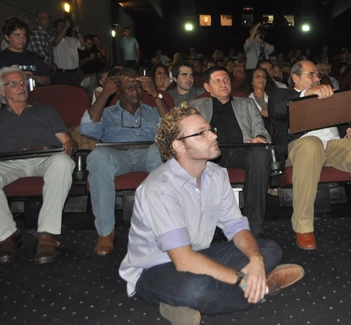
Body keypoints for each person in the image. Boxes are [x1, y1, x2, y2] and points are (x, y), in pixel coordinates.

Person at [119, 103, 304, 324]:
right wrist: (239, 278)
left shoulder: (217, 175)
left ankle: (181, 303)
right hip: (156, 269)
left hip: (199, 253)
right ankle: (262, 287)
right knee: (196, 289)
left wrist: (255, 259)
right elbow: (183, 260)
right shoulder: (159, 188)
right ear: (179, 145)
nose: (213, 135)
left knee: (268, 249)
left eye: (210, 129)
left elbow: (235, 225)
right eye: (201, 133)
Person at [268, 60, 351, 250]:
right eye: (311, 75)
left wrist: (350, 132)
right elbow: (276, 110)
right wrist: (306, 94)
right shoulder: (282, 93)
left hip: (334, 145)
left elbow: (344, 123)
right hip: (301, 146)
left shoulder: (329, 95)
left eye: (318, 75)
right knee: (311, 145)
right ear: (295, 77)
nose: (317, 79)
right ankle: (303, 226)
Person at [0, 66, 76, 263]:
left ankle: (46, 234)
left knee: (62, 162)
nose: (21, 86)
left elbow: (66, 139)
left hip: (44, 157)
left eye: (23, 82)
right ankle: (8, 234)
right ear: (1, 91)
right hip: (10, 161)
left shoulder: (45, 111)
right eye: (14, 83)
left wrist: (69, 144)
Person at [79, 68, 168, 256]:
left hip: (147, 153)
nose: (135, 91)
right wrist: (104, 94)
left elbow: (172, 129)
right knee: (97, 156)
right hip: (117, 155)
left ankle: (163, 226)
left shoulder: (152, 111)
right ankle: (105, 232)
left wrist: (156, 95)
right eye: (129, 87)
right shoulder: (107, 112)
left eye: (138, 87)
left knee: (158, 151)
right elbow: (87, 130)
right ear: (118, 91)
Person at [191, 66, 272, 237]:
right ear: (207, 87)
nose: (223, 84)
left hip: (241, 150)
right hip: (210, 154)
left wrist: (259, 138)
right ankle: (203, 227)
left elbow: (261, 129)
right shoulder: (196, 106)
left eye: (226, 79)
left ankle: (254, 225)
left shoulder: (247, 104)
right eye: (217, 81)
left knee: (260, 154)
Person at [0, 17, 51, 87]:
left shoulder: (34, 57)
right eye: (17, 35)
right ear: (7, 37)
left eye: (24, 35)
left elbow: (48, 80)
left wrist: (34, 77)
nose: (22, 39)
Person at [52, 18, 86, 86]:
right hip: (62, 73)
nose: (63, 27)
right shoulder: (53, 39)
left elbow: (83, 46)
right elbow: (55, 42)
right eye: (60, 26)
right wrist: (66, 27)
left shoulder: (72, 40)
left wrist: (78, 32)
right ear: (55, 29)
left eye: (63, 25)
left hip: (74, 73)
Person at [241, 67, 276, 132]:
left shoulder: (274, 97)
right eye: (257, 76)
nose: (261, 78)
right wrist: (260, 113)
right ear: (251, 81)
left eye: (264, 76)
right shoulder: (245, 99)